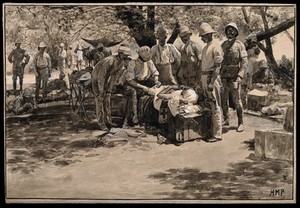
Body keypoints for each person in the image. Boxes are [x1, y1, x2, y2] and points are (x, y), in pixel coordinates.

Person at [91, 44, 132, 131]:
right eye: (124, 55)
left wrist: (109, 89)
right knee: (100, 100)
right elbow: (101, 76)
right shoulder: (109, 61)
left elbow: (114, 77)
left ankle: (108, 120)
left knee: (107, 99)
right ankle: (101, 123)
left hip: (106, 79)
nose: (126, 58)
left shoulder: (121, 63)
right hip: (96, 78)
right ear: (120, 54)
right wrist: (101, 90)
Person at [123, 46, 161, 127]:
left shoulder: (149, 62)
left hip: (146, 82)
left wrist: (156, 81)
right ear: (140, 56)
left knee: (157, 92)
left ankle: (151, 119)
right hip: (135, 84)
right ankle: (134, 117)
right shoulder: (132, 63)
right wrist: (143, 88)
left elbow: (155, 72)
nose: (148, 59)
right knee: (134, 95)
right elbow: (130, 80)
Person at [198, 22, 223, 142]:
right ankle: (208, 132)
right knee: (207, 105)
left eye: (203, 36)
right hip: (204, 78)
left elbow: (217, 67)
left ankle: (217, 134)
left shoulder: (216, 46)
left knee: (215, 105)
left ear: (209, 35)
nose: (202, 38)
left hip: (212, 78)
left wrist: (212, 82)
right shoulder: (204, 48)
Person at [220, 22, 248, 132]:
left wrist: (240, 76)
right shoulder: (222, 45)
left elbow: (244, 63)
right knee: (223, 100)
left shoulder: (240, 45)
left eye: (232, 30)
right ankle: (226, 119)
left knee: (237, 101)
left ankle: (241, 122)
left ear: (236, 32)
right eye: (228, 30)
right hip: (223, 76)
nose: (230, 32)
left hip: (234, 77)